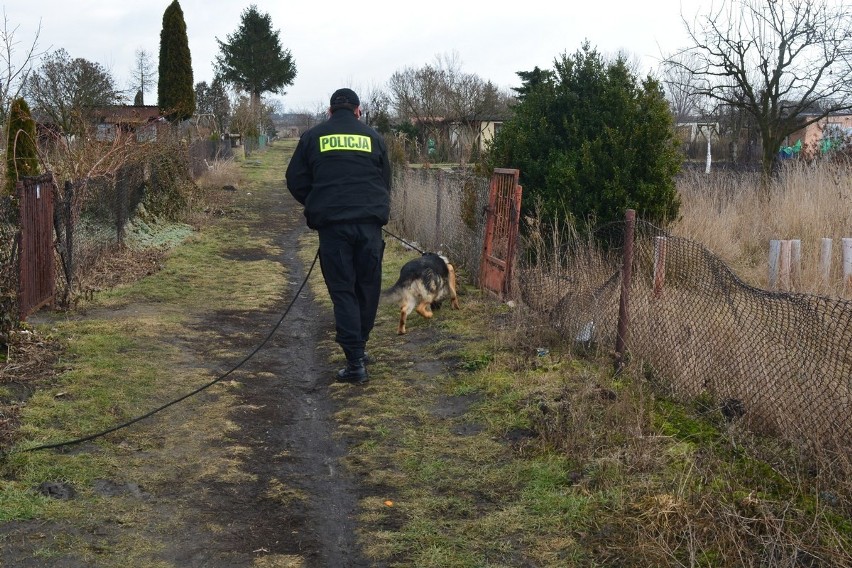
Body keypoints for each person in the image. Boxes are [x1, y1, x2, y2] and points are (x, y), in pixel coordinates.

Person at [285, 88, 391, 385]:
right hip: (369, 226)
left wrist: (318, 203)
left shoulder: (312, 137)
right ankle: (360, 347)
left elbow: (295, 179)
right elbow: (385, 181)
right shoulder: (374, 138)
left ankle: (355, 361)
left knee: (343, 290)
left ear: (329, 111)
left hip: (334, 229)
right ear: (358, 111)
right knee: (367, 288)